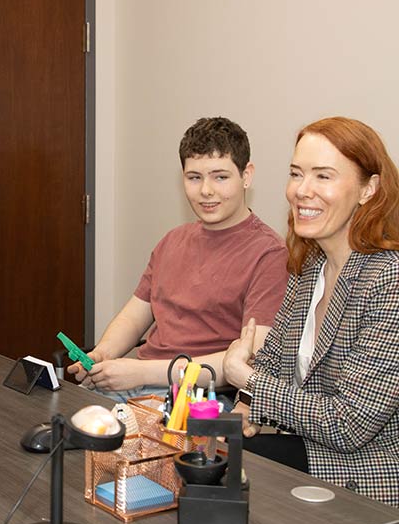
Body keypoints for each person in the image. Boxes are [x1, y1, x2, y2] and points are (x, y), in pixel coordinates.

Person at [223, 117, 399, 507]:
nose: (302, 191)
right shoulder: (309, 268)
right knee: (200, 457)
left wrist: (246, 379)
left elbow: (349, 424)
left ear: (368, 189)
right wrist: (241, 411)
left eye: (323, 176)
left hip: (370, 469)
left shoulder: (389, 280)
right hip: (311, 449)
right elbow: (269, 363)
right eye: (296, 173)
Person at [69, 117, 288, 401]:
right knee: (50, 424)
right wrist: (102, 354)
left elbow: (247, 363)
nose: (206, 190)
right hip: (136, 383)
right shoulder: (172, 240)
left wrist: (142, 372)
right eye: (194, 177)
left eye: (220, 177)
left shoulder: (269, 254)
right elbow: (134, 317)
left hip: (199, 397)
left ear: (246, 176)